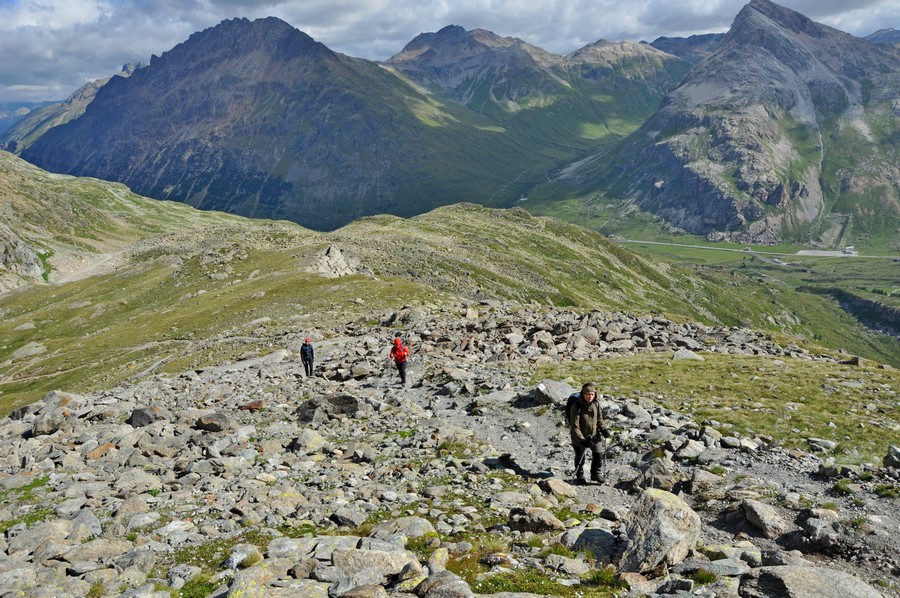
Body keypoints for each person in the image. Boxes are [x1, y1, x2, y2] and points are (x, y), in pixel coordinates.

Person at [568, 382, 608, 485]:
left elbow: (599, 419)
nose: (590, 396)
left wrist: (603, 429)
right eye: (588, 394)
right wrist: (582, 439)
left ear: (595, 394)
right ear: (583, 394)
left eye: (592, 394)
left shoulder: (596, 404)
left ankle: (596, 474)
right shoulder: (576, 406)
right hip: (579, 437)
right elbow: (574, 425)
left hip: (594, 434)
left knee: (599, 455)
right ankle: (580, 476)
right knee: (580, 456)